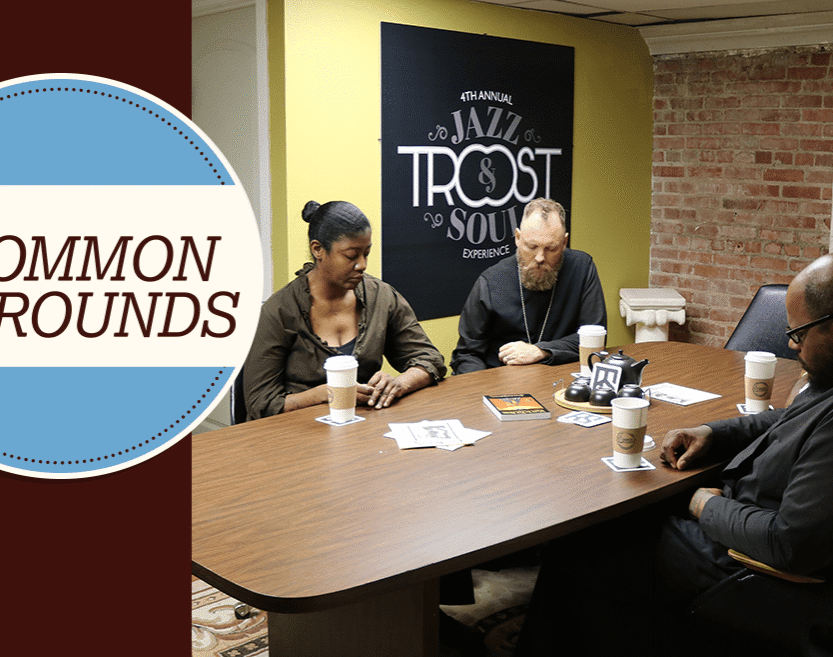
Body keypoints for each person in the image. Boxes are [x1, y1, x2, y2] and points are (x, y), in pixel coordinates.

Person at [516, 254, 833, 656]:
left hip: (749, 568)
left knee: (576, 547)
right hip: (740, 527)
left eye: (800, 333)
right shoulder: (826, 383)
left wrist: (704, 505)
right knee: (623, 517)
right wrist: (711, 433)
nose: (791, 343)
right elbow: (784, 420)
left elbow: (791, 545)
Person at [243, 200, 446, 420]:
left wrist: (399, 383)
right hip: (295, 435)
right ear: (318, 250)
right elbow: (260, 403)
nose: (362, 265)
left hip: (362, 430)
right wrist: (325, 394)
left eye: (366, 254)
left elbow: (430, 359)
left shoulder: (381, 296)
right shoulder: (280, 311)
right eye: (351, 256)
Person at [450, 197, 606, 374]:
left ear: (564, 243)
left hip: (560, 378)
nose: (540, 257)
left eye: (551, 248)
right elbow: (466, 354)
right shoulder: (491, 281)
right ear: (518, 238)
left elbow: (595, 337)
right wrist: (485, 391)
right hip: (502, 381)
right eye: (532, 247)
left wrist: (540, 351)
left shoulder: (582, 268)